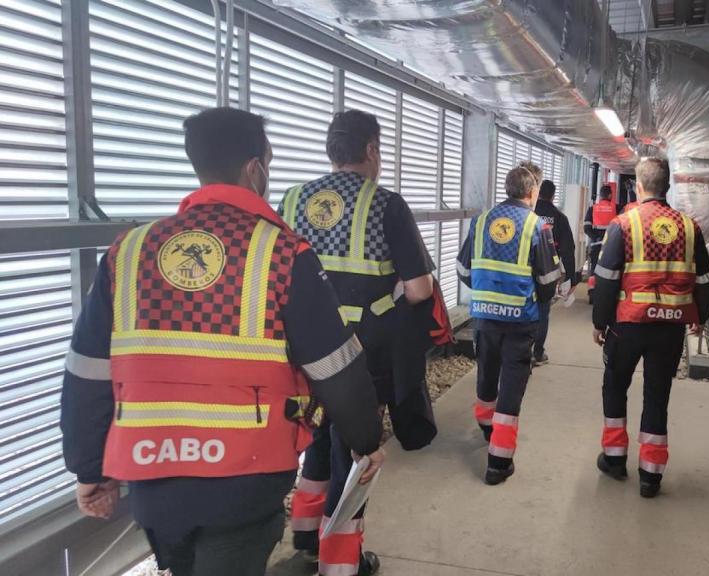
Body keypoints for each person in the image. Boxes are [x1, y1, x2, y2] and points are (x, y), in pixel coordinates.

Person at [60, 107, 385, 576]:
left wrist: (89, 468)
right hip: (245, 476)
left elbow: (87, 370)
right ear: (255, 167)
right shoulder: (281, 252)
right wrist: (365, 440)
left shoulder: (129, 250)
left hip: (152, 472)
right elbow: (333, 364)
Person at [279, 109, 437, 576]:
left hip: (298, 357)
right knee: (355, 453)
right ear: (371, 150)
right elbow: (420, 290)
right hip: (358, 356)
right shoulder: (386, 205)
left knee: (319, 439)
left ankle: (305, 534)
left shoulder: (289, 201)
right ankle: (341, 565)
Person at [590, 157, 709, 499]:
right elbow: (705, 279)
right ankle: (651, 475)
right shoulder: (690, 227)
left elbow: (606, 279)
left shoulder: (624, 224)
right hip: (670, 328)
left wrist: (600, 321)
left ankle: (615, 460)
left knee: (615, 386)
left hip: (628, 325)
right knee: (657, 396)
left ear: (638, 186)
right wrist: (699, 317)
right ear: (668, 186)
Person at [457, 166, 560, 485]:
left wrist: (488, 289)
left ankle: (486, 427)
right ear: (532, 192)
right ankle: (498, 463)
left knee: (486, 371)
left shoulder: (481, 221)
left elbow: (463, 269)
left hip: (485, 317)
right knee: (512, 384)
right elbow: (546, 281)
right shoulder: (537, 225)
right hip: (520, 320)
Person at [532, 178, 576, 366]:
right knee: (543, 311)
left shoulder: (528, 214)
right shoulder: (559, 217)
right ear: (553, 195)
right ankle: (538, 353)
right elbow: (568, 249)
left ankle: (520, 351)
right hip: (548, 272)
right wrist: (572, 279)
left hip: (524, 271)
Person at [583, 184, 618, 302]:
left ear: (601, 195)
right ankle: (607, 296)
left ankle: (592, 295)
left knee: (594, 269)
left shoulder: (592, 208)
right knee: (610, 270)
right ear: (609, 195)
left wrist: (595, 238)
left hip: (595, 244)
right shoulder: (616, 208)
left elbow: (586, 228)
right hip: (611, 246)